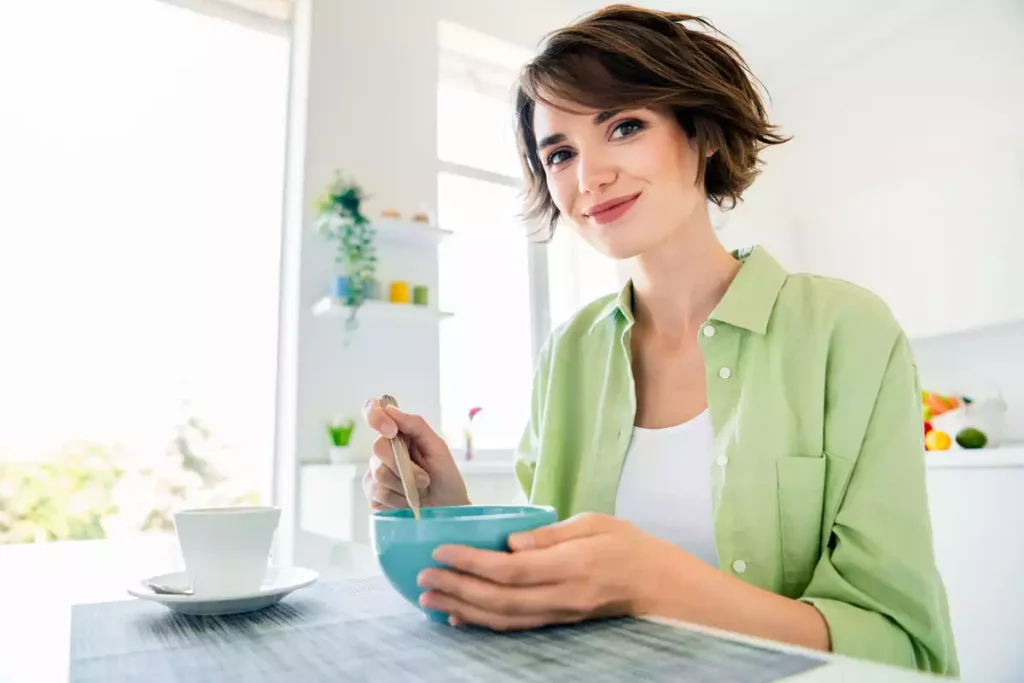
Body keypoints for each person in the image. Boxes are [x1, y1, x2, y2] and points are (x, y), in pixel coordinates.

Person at [362, 4, 957, 676]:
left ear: (700, 133)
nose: (589, 178)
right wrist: (452, 515)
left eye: (624, 126)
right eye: (560, 153)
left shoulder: (847, 330)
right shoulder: (569, 353)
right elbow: (560, 578)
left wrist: (654, 580)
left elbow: (903, 646)